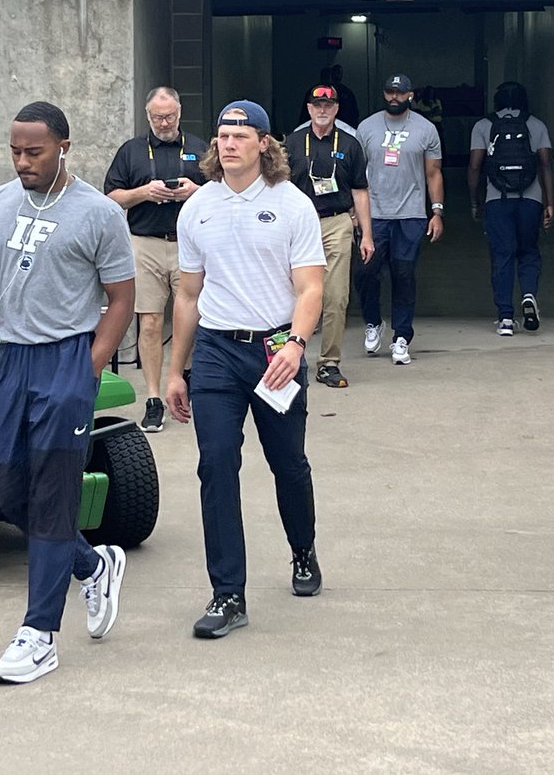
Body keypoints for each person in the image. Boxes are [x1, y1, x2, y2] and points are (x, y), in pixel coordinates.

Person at [0, 101, 136, 684]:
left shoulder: (98, 214)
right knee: (11, 493)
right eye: (15, 151)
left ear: (63, 147)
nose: (22, 162)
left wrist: (89, 369)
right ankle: (92, 565)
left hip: (66, 359)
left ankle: (39, 633)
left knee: (51, 498)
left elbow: (120, 300)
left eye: (34, 152)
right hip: (12, 360)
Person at [165, 99, 326, 640]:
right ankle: (227, 594)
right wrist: (175, 371)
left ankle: (302, 552)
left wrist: (297, 345)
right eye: (221, 134)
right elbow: (188, 296)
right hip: (215, 350)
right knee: (215, 465)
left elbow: (310, 287)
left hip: (275, 349)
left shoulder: (292, 204)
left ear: (263, 143)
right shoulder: (197, 208)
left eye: (240, 133)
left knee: (288, 463)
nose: (228, 142)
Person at [104, 86, 208, 432]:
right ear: (147, 116)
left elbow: (226, 190)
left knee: (188, 319)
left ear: (180, 113)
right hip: (144, 243)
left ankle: (184, 381)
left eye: (170, 116)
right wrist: (144, 192)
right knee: (149, 323)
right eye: (157, 117)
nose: (164, 123)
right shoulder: (132, 151)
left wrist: (197, 190)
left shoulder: (198, 148)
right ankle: (152, 397)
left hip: (188, 245)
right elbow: (111, 196)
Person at [285, 83, 374, 388]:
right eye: (317, 105)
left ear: (336, 108)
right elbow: (277, 188)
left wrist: (366, 235)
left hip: (337, 222)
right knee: (290, 294)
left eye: (329, 106)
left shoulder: (350, 144)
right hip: (298, 226)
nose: (322, 110)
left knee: (336, 296)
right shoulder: (293, 144)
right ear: (309, 108)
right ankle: (287, 358)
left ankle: (329, 362)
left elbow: (360, 191)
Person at [354, 73, 445, 365]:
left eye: (400, 93)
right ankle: (373, 322)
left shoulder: (426, 129)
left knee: (404, 275)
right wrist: (354, 212)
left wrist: (437, 211)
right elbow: (357, 175)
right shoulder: (366, 127)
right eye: (390, 92)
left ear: (410, 95)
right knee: (367, 272)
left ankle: (401, 336)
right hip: (374, 214)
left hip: (411, 214)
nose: (394, 97)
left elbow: (433, 173)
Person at [467, 81, 554, 336]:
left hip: (497, 199)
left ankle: (505, 317)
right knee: (528, 251)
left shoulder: (484, 125)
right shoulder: (535, 124)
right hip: (531, 199)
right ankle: (528, 295)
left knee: (502, 255)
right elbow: (546, 165)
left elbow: (474, 166)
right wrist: (550, 203)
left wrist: (475, 201)